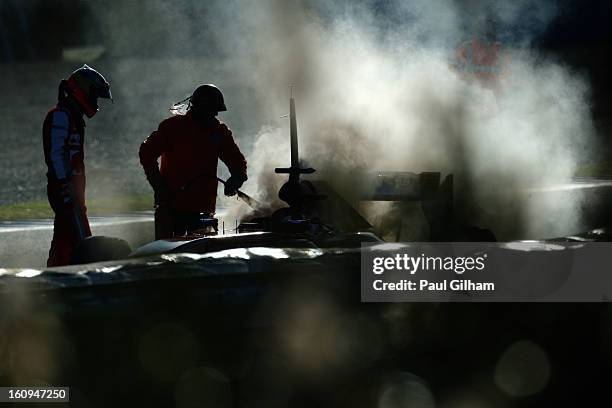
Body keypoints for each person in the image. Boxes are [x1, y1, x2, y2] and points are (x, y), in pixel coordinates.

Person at [139, 84, 248, 239]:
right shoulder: (172, 128)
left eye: (217, 111)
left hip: (203, 209)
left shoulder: (219, 132)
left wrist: (237, 177)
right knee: (169, 255)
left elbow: (236, 160)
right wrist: (158, 186)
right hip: (171, 207)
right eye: (212, 111)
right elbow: (146, 152)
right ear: (199, 108)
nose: (215, 115)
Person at [43, 64, 112, 266]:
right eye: (94, 95)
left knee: (65, 240)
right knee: (84, 244)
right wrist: (65, 187)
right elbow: (55, 154)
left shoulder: (72, 116)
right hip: (65, 189)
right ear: (81, 91)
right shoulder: (60, 115)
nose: (95, 101)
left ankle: (55, 274)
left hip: (71, 190)